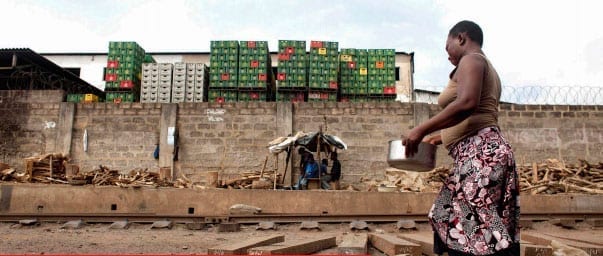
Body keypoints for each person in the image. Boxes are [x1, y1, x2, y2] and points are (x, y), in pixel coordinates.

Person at [402, 20, 519, 256]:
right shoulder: (482, 64)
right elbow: (473, 118)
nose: (447, 56)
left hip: (481, 156)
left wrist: (421, 129)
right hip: (478, 153)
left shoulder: (472, 59)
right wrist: (436, 139)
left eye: (448, 48)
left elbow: (466, 103)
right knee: (446, 214)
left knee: (475, 228)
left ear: (461, 39)